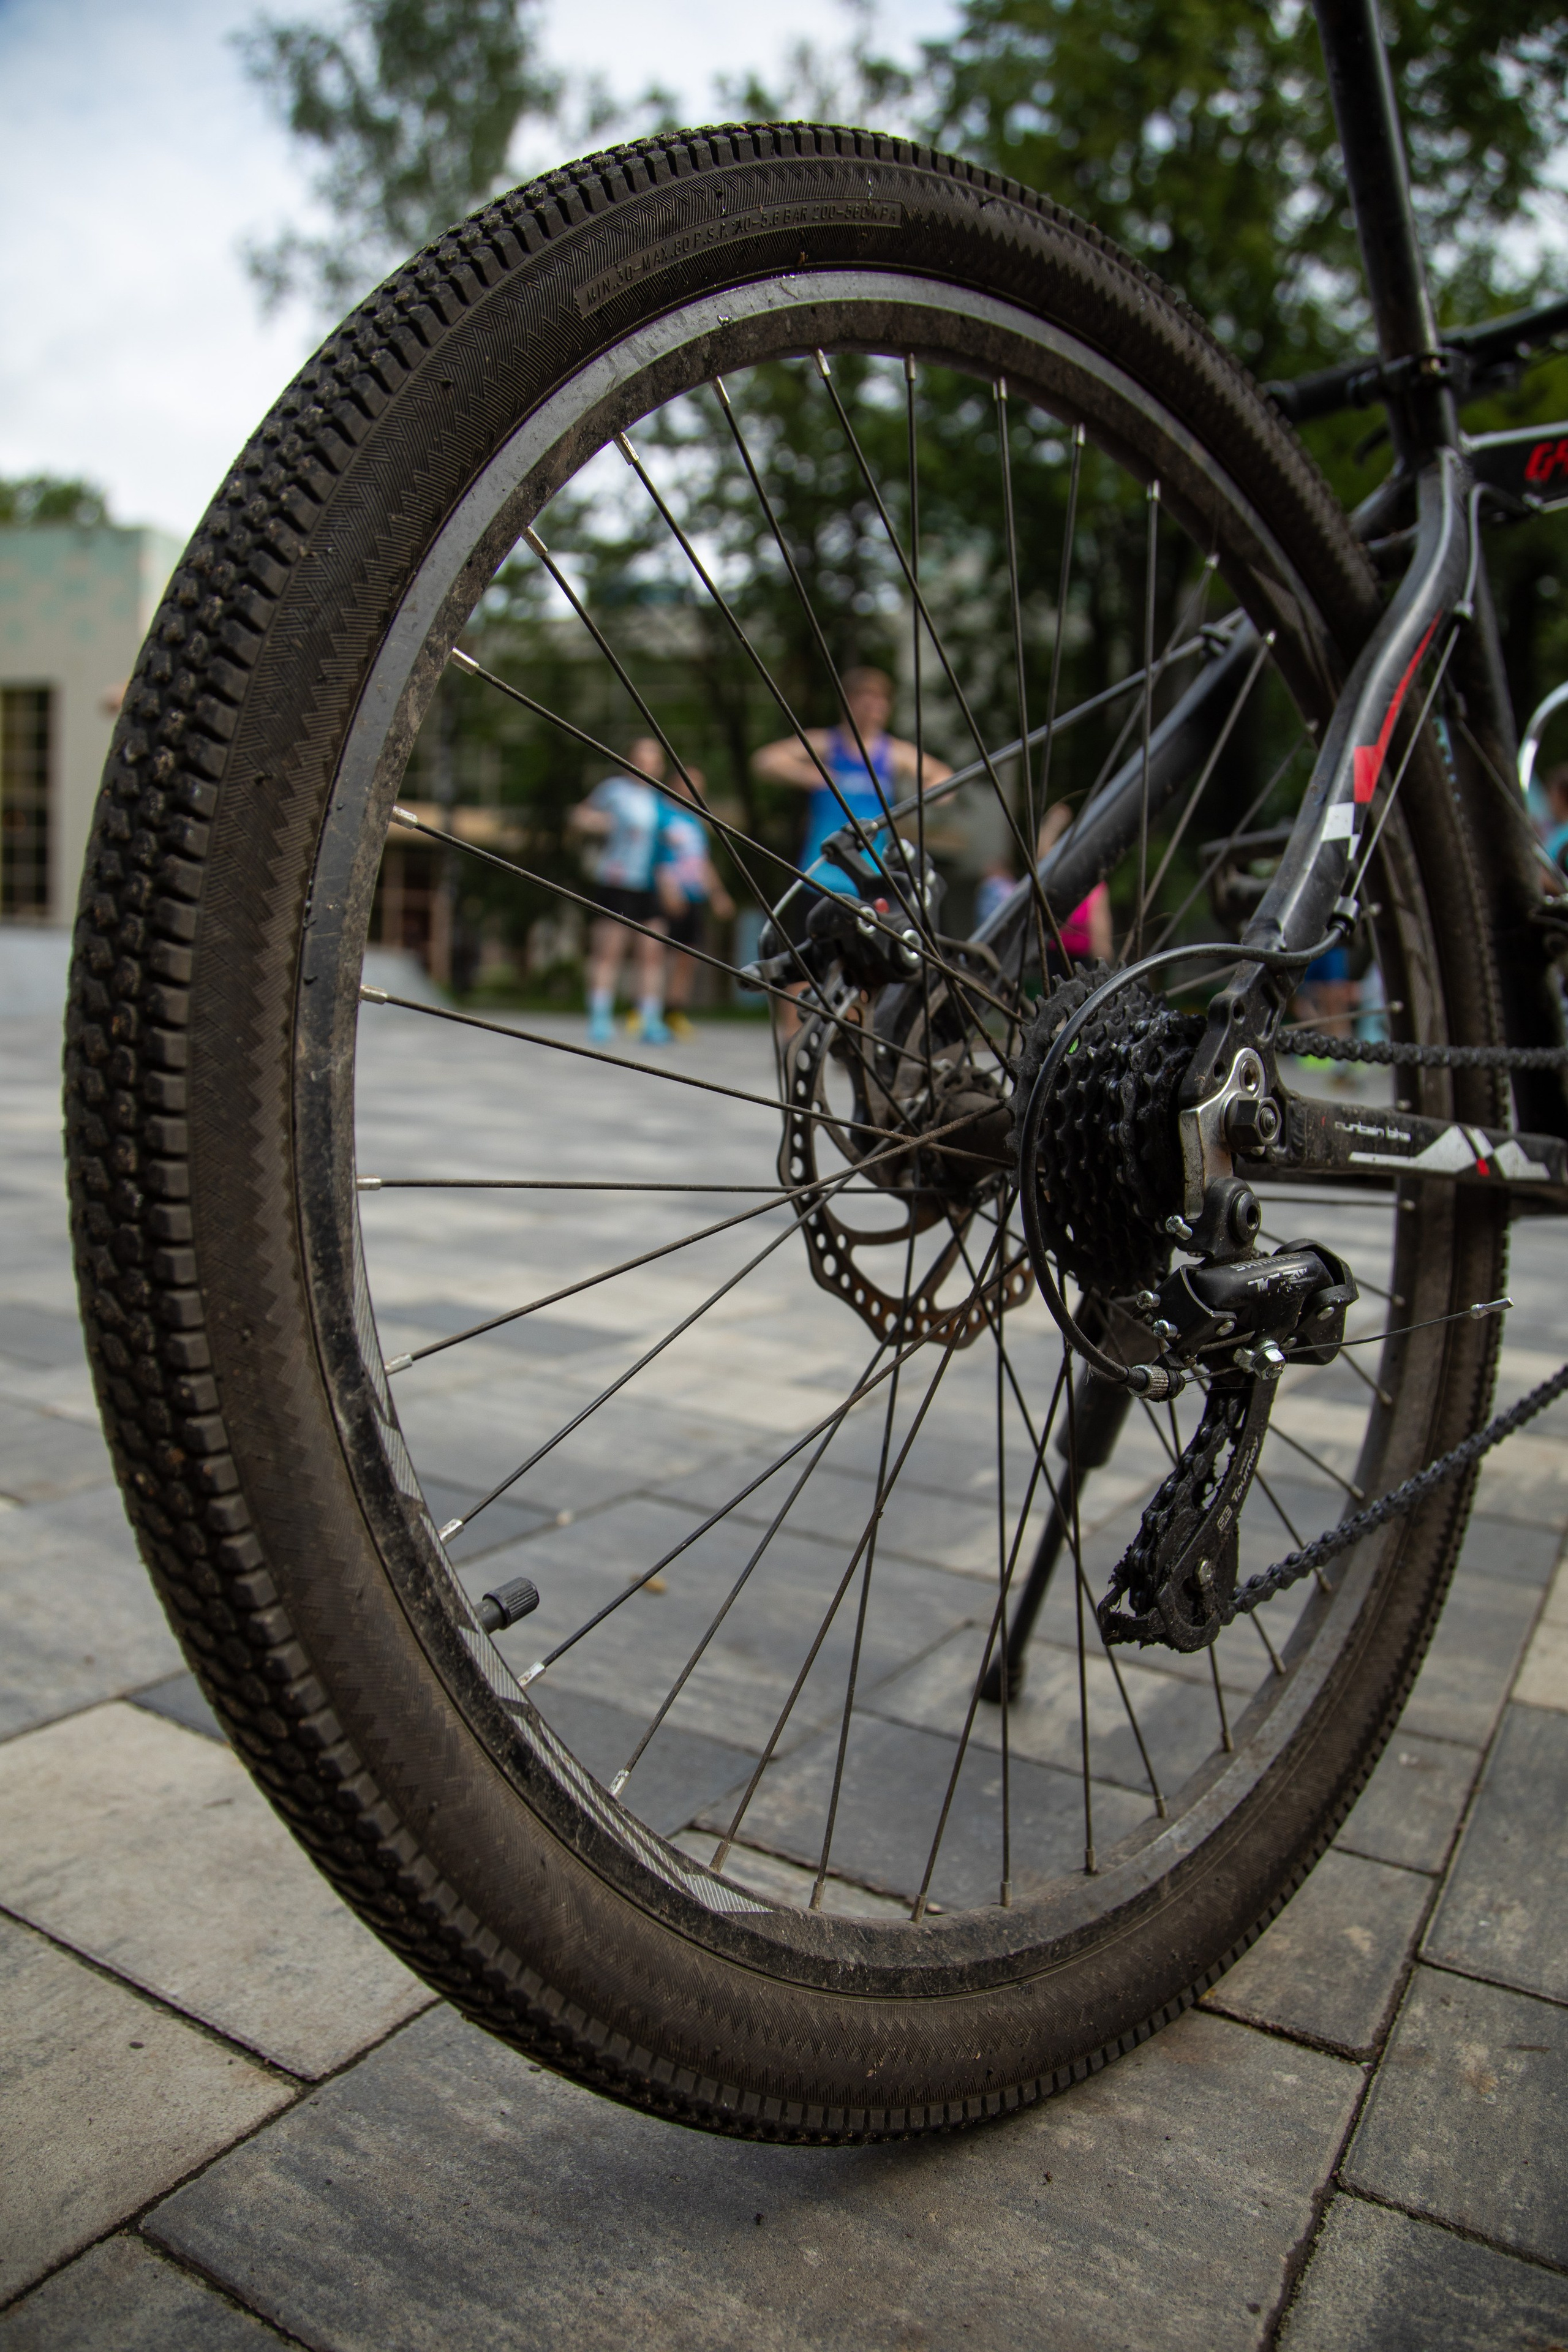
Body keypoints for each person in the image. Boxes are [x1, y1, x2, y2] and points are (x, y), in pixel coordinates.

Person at [752, 666, 952, 889]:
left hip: (870, 876)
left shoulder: (894, 752)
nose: (873, 708)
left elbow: (943, 777)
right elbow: (764, 761)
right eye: (866, 700)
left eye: (880, 701)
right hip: (819, 875)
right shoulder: (826, 742)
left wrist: (926, 795)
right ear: (847, 703)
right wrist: (809, 775)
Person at [567, 737, 671, 1045]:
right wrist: (604, 824)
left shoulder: (662, 800)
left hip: (650, 884)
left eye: (652, 760)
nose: (646, 766)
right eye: (641, 758)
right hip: (618, 880)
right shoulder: (615, 790)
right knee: (609, 951)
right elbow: (579, 816)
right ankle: (600, 1017)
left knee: (652, 953)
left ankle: (649, 1019)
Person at [652, 766, 735, 1041]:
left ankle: (674, 1012)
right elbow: (654, 853)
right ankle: (647, 1011)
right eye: (690, 783)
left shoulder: (695, 822)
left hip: (694, 894)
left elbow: (703, 862)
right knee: (658, 955)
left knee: (688, 956)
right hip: (669, 893)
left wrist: (718, 894)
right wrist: (666, 884)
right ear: (676, 783)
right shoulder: (661, 814)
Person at [1036, 801, 1113, 965]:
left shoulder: (1097, 888)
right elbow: (1043, 856)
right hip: (1054, 954)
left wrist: (1106, 966)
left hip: (1081, 961)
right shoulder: (1062, 876)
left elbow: (1101, 930)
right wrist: (1054, 823)